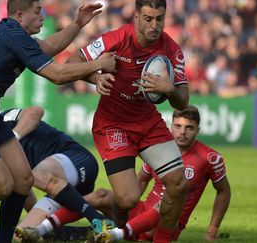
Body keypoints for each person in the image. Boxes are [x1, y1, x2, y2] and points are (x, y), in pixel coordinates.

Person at [0, 0, 116, 242]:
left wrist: (78, 24)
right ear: (20, 15)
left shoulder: (10, 32)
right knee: (1, 187)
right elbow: (57, 76)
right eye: (37, 12)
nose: (43, 16)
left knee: (24, 179)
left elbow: (48, 47)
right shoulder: (14, 37)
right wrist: (98, 64)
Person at [67, 0, 189, 241]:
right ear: (135, 17)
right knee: (128, 198)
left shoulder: (172, 50)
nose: (154, 25)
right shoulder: (116, 39)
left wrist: (169, 89)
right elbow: (72, 61)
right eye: (148, 18)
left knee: (178, 184)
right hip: (113, 124)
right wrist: (95, 77)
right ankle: (115, 224)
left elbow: (183, 101)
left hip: (148, 122)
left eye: (160, 18)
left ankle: (162, 239)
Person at [33, 105, 231, 242]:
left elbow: (223, 191)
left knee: (164, 203)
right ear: (171, 126)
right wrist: (123, 208)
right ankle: (44, 228)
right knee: (102, 194)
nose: (182, 132)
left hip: (167, 223)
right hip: (143, 214)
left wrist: (212, 232)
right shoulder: (160, 151)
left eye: (189, 128)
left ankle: (114, 234)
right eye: (178, 126)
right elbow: (141, 180)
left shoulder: (210, 158)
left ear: (198, 130)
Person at [0, 106, 114, 241]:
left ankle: (97, 218)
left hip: (78, 160)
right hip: (61, 189)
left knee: (36, 174)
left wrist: (13, 139)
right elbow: (21, 187)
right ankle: (94, 232)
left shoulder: (4, 118)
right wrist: (39, 217)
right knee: (22, 235)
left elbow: (35, 112)